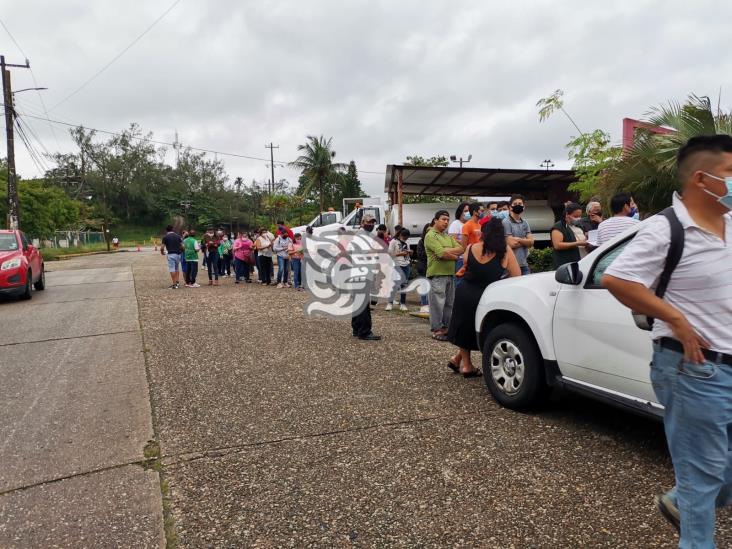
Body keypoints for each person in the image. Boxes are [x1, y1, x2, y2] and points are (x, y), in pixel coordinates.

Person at [602, 134, 732, 547]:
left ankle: (680, 500)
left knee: (716, 475)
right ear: (702, 178)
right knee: (703, 475)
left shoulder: (730, 224)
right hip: (695, 369)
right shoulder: (665, 228)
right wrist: (675, 317)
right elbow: (616, 279)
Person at [447, 217, 521, 376]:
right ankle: (466, 366)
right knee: (482, 328)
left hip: (465, 292)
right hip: (487, 295)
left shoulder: (471, 247)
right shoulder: (505, 250)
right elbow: (516, 276)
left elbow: (466, 267)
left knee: (464, 327)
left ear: (484, 232)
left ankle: (461, 361)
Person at [425, 210, 463, 341]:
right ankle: (436, 329)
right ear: (435, 220)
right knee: (437, 304)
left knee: (449, 303)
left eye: (448, 220)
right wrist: (454, 256)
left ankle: (446, 328)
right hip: (437, 274)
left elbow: (461, 249)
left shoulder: (447, 236)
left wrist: (446, 252)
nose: (446, 222)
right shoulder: (431, 235)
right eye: (443, 219)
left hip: (450, 274)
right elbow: (441, 253)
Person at [350, 215, 381, 341]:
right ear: (362, 222)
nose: (371, 224)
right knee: (363, 304)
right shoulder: (360, 236)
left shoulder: (369, 235)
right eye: (369, 222)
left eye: (373, 222)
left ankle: (357, 329)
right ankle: (364, 331)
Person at [503, 194, 534, 275]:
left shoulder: (525, 223)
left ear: (524, 207)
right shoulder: (506, 222)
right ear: (510, 207)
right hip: (510, 265)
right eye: (515, 204)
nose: (518, 206)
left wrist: (518, 239)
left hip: (524, 264)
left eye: (520, 204)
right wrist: (525, 241)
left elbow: (531, 242)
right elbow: (511, 244)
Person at [550, 203, 588, 269]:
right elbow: (557, 245)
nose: (578, 218)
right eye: (575, 216)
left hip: (582, 261)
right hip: (567, 264)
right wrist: (577, 243)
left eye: (580, 216)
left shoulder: (580, 225)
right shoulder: (559, 226)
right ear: (567, 214)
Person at [386, 228, 412, 311]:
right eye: (404, 237)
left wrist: (410, 252)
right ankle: (390, 303)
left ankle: (403, 303)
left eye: (407, 238)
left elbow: (408, 253)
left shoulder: (407, 242)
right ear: (400, 235)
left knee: (404, 284)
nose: (405, 239)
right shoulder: (393, 241)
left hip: (406, 264)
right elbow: (389, 254)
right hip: (397, 264)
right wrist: (400, 253)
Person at [414, 222, 432, 314]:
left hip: (432, 267)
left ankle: (429, 305)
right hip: (423, 267)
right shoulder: (421, 242)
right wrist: (430, 252)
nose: (429, 232)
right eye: (428, 230)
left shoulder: (434, 241)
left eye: (431, 230)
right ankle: (424, 305)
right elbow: (420, 255)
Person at [160, 225, 183, 289]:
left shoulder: (165, 237)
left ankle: (174, 284)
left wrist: (162, 252)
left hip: (171, 254)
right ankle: (177, 282)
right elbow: (182, 246)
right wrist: (181, 251)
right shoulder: (178, 236)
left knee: (172, 269)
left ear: (166, 230)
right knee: (177, 268)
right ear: (173, 229)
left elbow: (162, 247)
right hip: (178, 254)